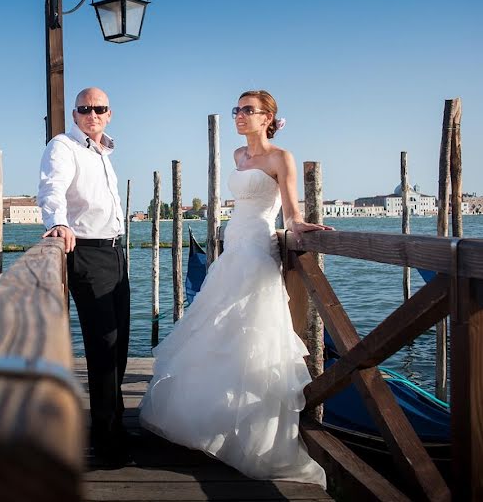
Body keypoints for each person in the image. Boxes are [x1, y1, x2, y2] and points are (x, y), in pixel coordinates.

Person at [138, 90, 330, 487]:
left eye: (248, 111)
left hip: (259, 245)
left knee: (253, 330)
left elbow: (292, 211)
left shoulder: (282, 157)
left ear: (267, 118)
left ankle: (252, 434)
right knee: (217, 328)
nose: (239, 116)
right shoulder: (238, 157)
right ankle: (211, 422)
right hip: (233, 245)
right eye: (237, 110)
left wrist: (299, 226)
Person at [38, 87, 130, 464]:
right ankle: (106, 443)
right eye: (85, 109)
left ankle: (115, 427)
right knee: (103, 344)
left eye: (100, 108)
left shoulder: (104, 150)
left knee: (120, 343)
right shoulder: (63, 146)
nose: (92, 114)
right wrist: (58, 223)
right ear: (75, 114)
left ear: (109, 113)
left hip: (116, 251)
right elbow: (51, 187)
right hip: (87, 253)